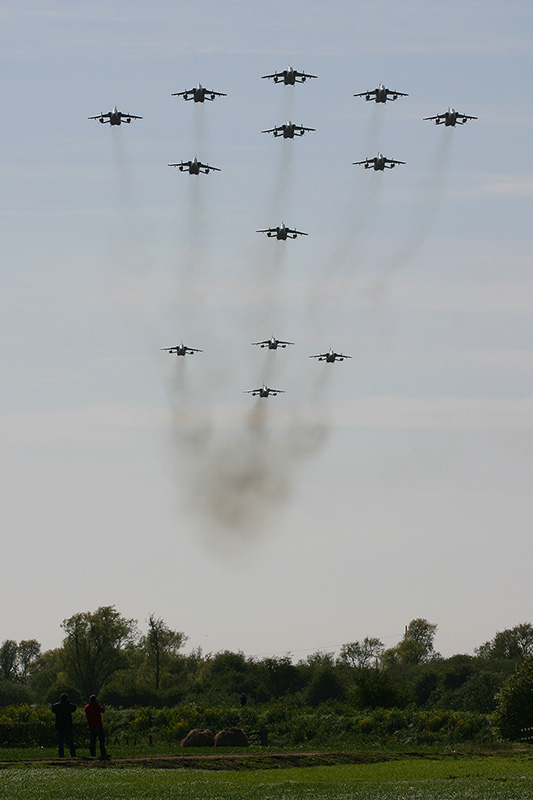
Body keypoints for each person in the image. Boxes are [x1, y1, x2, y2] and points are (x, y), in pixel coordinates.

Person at [51, 693, 76, 757]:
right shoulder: (69, 706)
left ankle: (61, 755)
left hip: (59, 725)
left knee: (60, 742)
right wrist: (68, 702)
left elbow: (52, 708)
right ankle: (73, 754)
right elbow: (74, 707)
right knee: (70, 741)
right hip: (68, 725)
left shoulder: (57, 706)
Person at [84, 694, 108, 758]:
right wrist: (98, 704)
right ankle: (103, 753)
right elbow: (102, 710)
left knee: (92, 741)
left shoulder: (87, 707)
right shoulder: (97, 706)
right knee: (101, 740)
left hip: (90, 725)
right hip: (98, 725)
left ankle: (93, 753)